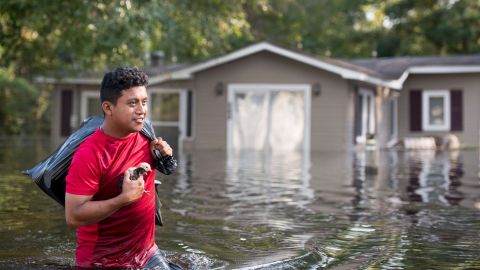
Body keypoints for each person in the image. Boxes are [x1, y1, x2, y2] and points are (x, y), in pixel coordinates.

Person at [65, 67, 179, 269]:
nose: (141, 110)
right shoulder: (90, 154)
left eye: (144, 102)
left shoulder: (146, 134)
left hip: (147, 254)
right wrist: (123, 199)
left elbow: (166, 169)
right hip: (101, 261)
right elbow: (73, 216)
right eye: (132, 103)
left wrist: (165, 157)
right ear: (108, 108)